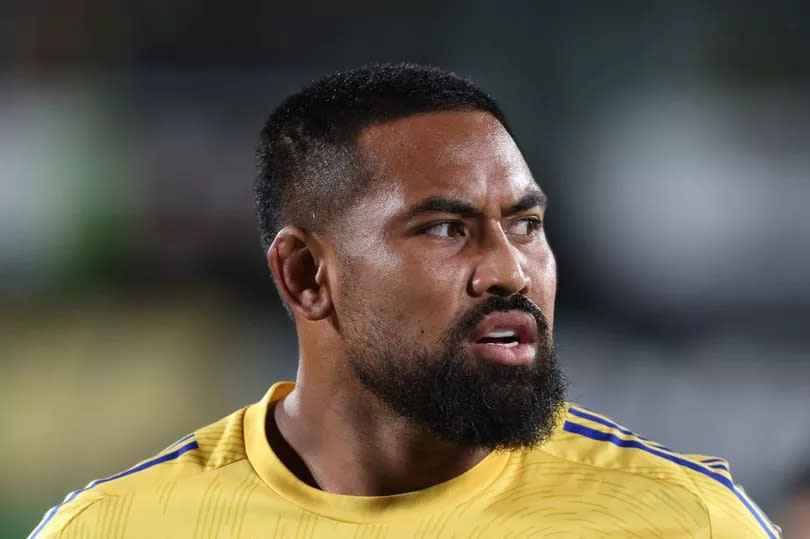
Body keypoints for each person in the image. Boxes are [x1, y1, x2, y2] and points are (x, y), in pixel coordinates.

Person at [30, 63, 780, 538]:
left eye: (525, 223)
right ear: (304, 275)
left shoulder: (685, 521)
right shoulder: (119, 527)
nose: (511, 270)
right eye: (447, 228)